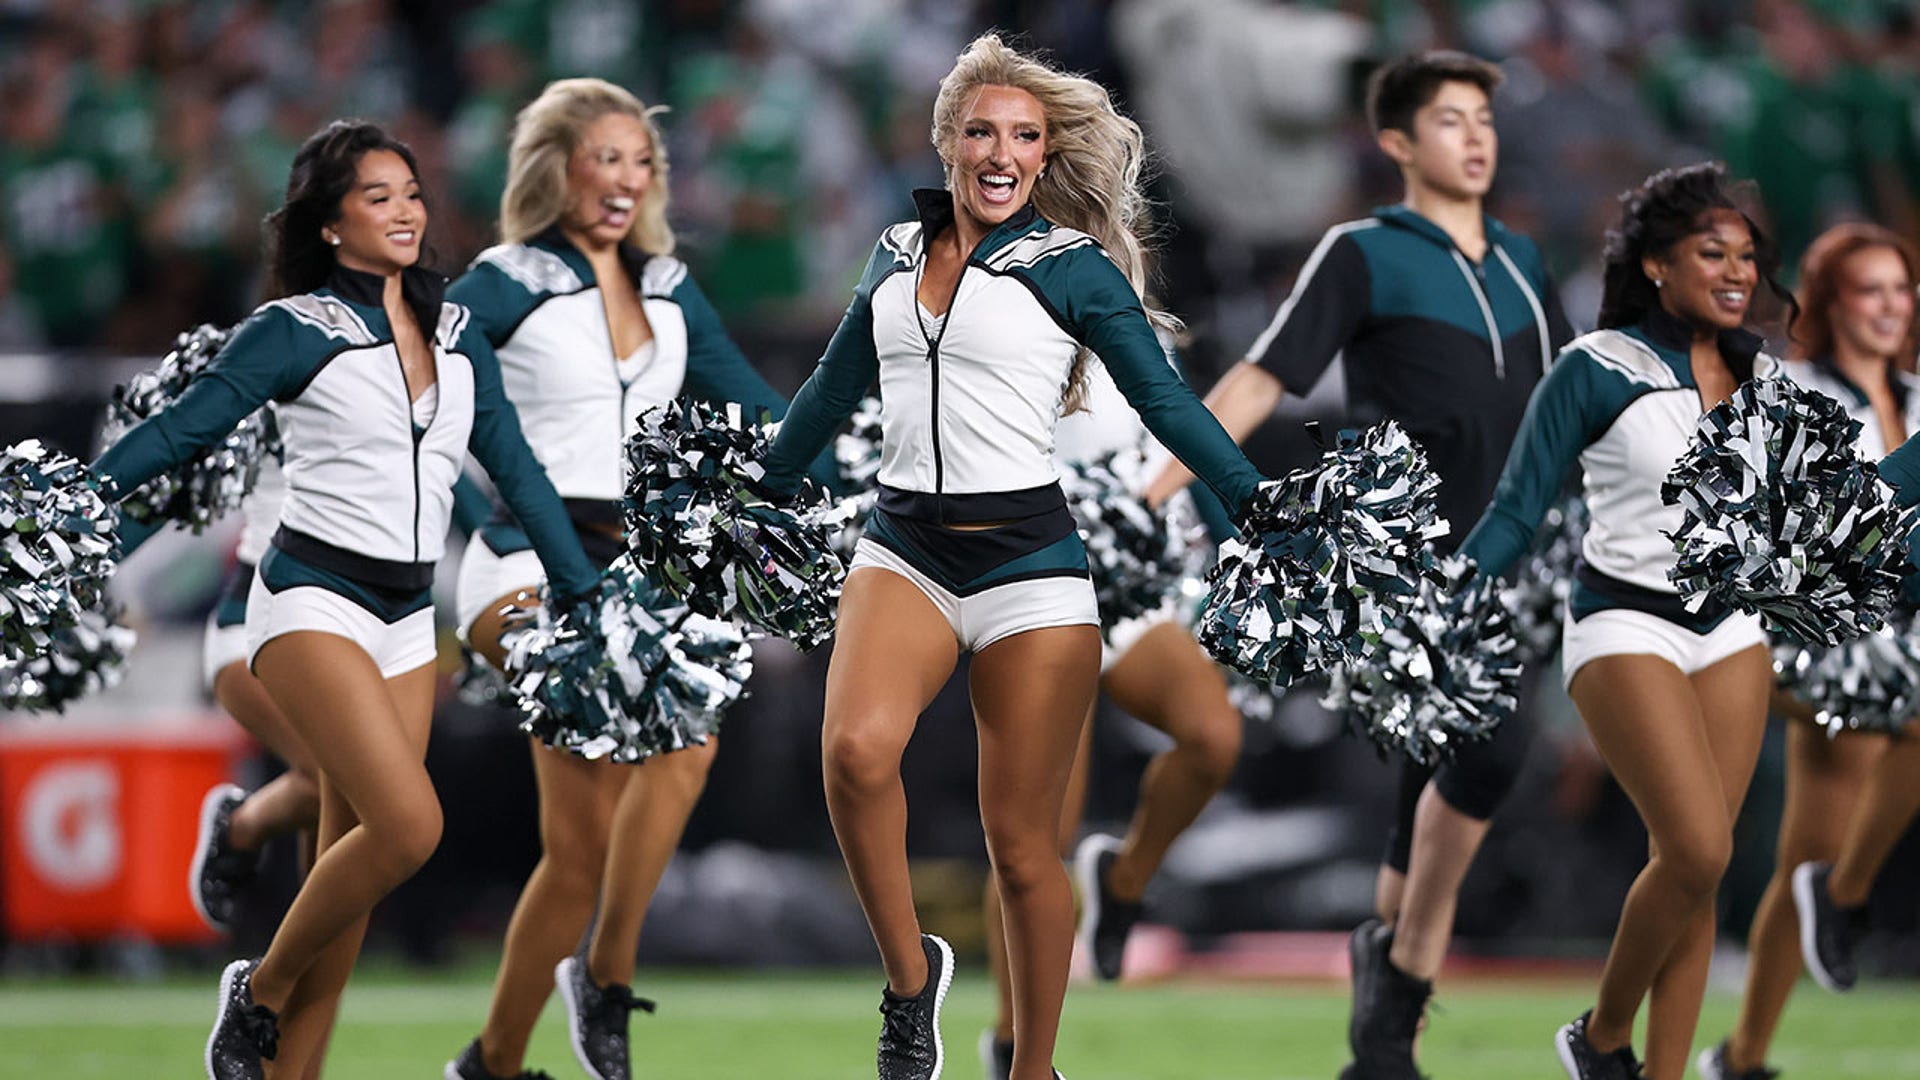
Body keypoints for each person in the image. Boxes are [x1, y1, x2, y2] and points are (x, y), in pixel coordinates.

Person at [753, 33, 1267, 1080]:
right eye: (981, 130)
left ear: (1042, 157)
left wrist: (1259, 505)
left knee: (1025, 847)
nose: (1001, 151)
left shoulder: (1071, 268)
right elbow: (830, 387)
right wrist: (753, 493)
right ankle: (911, 984)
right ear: (946, 140)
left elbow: (1168, 403)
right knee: (852, 756)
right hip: (903, 545)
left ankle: (1031, 1067)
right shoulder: (895, 253)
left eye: (1024, 137)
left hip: (1030, 564)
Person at [91, 119, 601, 1080]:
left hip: (410, 620)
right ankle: (261, 991)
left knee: (354, 879)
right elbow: (180, 436)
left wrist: (580, 590)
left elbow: (516, 473)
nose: (406, 210)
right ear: (328, 225)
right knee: (408, 826)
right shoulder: (295, 329)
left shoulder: (455, 332)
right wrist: (78, 512)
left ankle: (291, 1065)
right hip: (307, 598)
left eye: (411, 192)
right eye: (378, 197)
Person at [1143, 50, 1571, 1079]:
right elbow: (1263, 379)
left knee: (1429, 791)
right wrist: (1155, 488)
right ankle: (1399, 996)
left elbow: (1573, 402)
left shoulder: (1522, 261)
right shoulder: (1363, 251)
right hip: (1406, 563)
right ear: (1396, 143)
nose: (1476, 137)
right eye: (1450, 120)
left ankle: (1385, 1034)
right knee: (1492, 750)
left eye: (1485, 120)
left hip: (1514, 556)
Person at [442, 77, 826, 1080]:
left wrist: (848, 471)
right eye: (603, 158)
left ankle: (511, 1046)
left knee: (601, 835)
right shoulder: (505, 279)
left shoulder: (665, 285)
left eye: (640, 162)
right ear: (554, 168)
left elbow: (755, 407)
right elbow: (422, 383)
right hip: (525, 560)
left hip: (637, 569)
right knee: (624, 740)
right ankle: (591, 988)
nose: (624, 181)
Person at [1458, 161, 1793, 1080]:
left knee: (1696, 869)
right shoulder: (1597, 367)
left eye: (1747, 256)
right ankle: (1602, 1037)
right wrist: (1451, 588)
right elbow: (1518, 512)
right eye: (1710, 252)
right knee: (1696, 846)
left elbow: (1833, 512)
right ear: (1655, 264)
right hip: (1622, 624)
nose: (1736, 272)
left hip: (1731, 630)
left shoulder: (1770, 380)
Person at [978, 349, 1244, 1080]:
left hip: (1124, 591)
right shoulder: (997, 304)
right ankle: (1012, 1045)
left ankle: (1122, 881)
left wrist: (1243, 543)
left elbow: (1185, 436)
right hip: (1028, 587)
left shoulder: (1134, 327)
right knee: (1035, 839)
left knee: (1213, 736)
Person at [1698, 223, 1919, 1080]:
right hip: (1809, 634)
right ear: (1829, 304)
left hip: (1894, 636)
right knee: (1813, 855)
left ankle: (1744, 1054)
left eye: (1902, 289)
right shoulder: (1794, 392)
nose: (1891, 307)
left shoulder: (1915, 393)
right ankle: (1847, 893)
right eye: (1871, 289)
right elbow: (1808, 525)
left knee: (1806, 854)